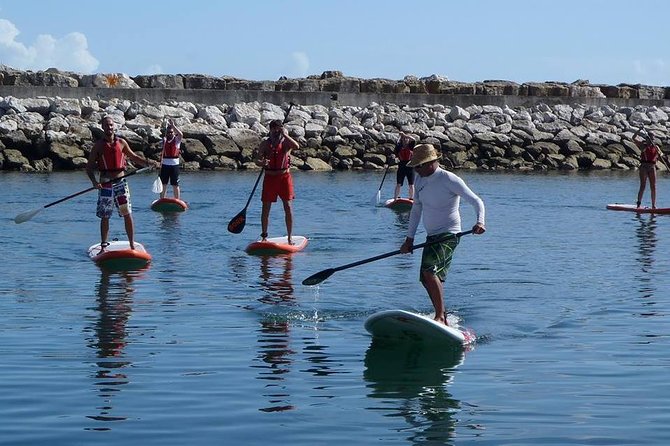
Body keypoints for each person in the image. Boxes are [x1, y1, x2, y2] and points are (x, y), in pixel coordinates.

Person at [399, 144, 486, 325]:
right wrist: (409, 239)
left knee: (430, 271)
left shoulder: (449, 179)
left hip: (449, 234)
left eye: (418, 166)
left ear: (430, 163)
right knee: (425, 277)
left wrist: (480, 222)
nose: (415, 170)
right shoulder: (420, 179)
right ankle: (443, 315)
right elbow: (416, 210)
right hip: (431, 236)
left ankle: (439, 316)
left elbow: (476, 200)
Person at [86, 116, 159, 251]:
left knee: (127, 213)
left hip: (120, 183)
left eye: (111, 125)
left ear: (114, 126)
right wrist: (94, 182)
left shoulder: (122, 143)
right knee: (105, 215)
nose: (109, 127)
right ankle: (103, 245)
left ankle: (131, 245)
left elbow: (135, 158)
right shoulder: (98, 146)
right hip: (105, 184)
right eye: (107, 125)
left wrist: (150, 164)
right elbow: (89, 168)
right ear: (103, 127)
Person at [257, 119, 300, 243]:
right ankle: (264, 236)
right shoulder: (265, 144)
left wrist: (285, 134)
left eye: (278, 129)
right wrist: (262, 162)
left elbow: (297, 146)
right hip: (270, 178)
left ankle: (290, 237)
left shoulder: (286, 143)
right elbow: (257, 160)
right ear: (270, 130)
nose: (276, 131)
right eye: (274, 129)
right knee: (266, 208)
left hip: (284, 177)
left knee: (288, 206)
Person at [633, 127, 667, 209]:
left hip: (652, 167)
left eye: (653, 138)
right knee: (643, 186)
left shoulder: (656, 147)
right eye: (651, 138)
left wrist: (661, 156)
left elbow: (661, 156)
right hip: (644, 167)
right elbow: (633, 138)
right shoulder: (642, 145)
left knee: (653, 186)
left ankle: (653, 205)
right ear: (647, 138)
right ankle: (638, 204)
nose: (652, 140)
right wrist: (639, 130)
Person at [159, 118, 184, 199]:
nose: (170, 134)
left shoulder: (177, 140)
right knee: (163, 183)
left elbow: (181, 135)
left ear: (174, 133)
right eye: (168, 132)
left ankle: (177, 199)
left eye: (171, 132)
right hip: (165, 165)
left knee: (175, 184)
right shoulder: (164, 140)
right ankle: (162, 199)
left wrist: (173, 126)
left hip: (174, 165)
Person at [393, 132, 416, 200]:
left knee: (411, 184)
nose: (406, 140)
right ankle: (395, 197)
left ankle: (411, 198)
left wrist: (405, 135)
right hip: (402, 167)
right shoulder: (399, 146)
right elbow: (396, 150)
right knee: (399, 184)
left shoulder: (411, 146)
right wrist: (401, 136)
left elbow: (414, 139)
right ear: (402, 140)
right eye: (404, 139)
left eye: (407, 139)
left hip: (410, 167)